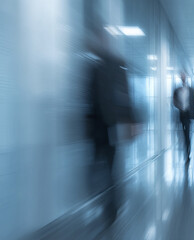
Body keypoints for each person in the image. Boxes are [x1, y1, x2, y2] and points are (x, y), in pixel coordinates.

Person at [86, 26, 139, 227]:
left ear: (105, 41)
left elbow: (126, 95)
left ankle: (112, 206)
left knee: (110, 166)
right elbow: (88, 98)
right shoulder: (92, 67)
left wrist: (131, 121)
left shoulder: (117, 65)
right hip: (96, 127)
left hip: (111, 126)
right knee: (95, 167)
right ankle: (106, 200)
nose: (98, 43)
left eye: (100, 39)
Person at [173, 72, 194, 164]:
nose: (183, 78)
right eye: (181, 77)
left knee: (187, 134)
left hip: (189, 115)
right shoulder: (177, 90)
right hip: (181, 114)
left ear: (186, 78)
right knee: (183, 135)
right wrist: (179, 106)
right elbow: (174, 101)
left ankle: (187, 154)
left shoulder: (191, 90)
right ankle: (186, 152)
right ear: (180, 78)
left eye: (184, 77)